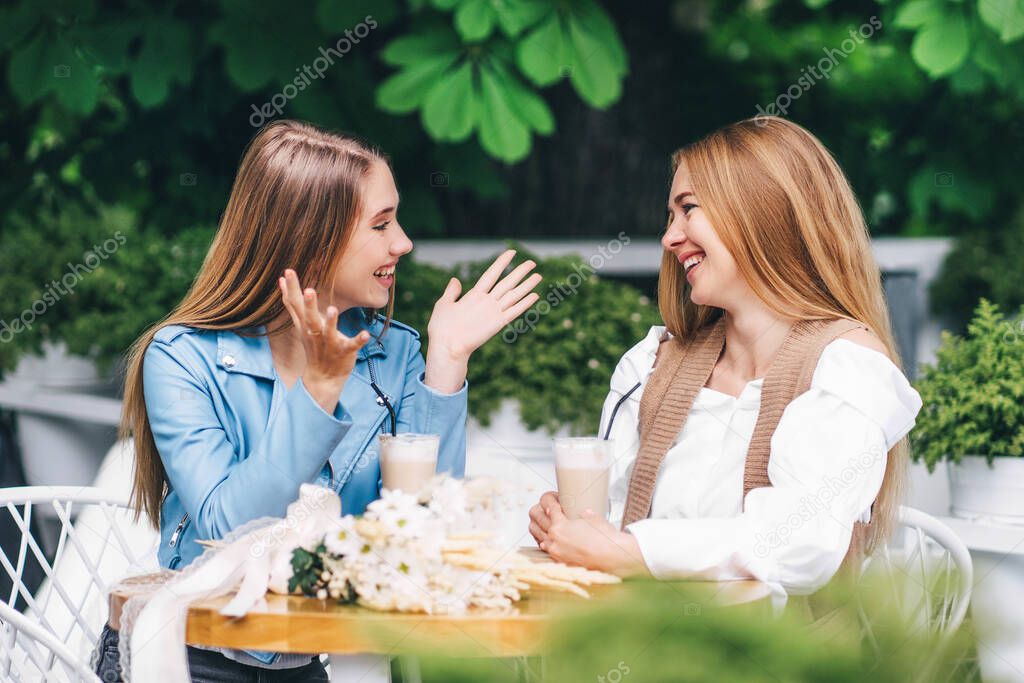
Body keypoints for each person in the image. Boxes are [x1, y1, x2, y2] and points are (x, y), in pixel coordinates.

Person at [96, 120, 541, 681]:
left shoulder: (395, 354)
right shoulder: (183, 359)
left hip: (306, 659)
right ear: (313, 239)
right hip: (189, 652)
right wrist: (319, 391)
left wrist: (446, 363)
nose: (403, 242)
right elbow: (227, 527)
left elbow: (425, 536)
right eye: (381, 224)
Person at [529, 116, 922, 604]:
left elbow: (803, 540)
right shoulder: (651, 363)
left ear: (762, 213)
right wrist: (568, 527)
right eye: (670, 217)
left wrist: (634, 554)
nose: (670, 238)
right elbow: (604, 519)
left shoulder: (848, 368)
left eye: (688, 209)